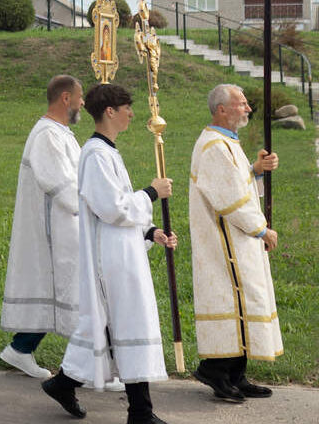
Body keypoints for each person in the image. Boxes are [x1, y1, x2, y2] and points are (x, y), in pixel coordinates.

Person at [41, 83, 176, 424]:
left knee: (110, 325)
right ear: (110, 111)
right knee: (124, 323)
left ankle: (65, 383)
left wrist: (149, 232)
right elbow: (111, 208)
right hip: (110, 258)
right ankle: (140, 412)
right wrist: (151, 192)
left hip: (123, 250)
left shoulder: (108, 152)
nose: (132, 113)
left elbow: (117, 208)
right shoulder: (96, 154)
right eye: (127, 107)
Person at [189, 84, 283, 402]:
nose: (248, 109)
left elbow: (237, 184)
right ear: (221, 109)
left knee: (246, 300)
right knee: (232, 300)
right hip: (224, 241)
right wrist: (262, 229)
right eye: (241, 104)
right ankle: (214, 370)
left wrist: (256, 171)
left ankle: (236, 374)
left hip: (237, 238)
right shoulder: (213, 146)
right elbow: (230, 200)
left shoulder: (226, 142)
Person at [0, 76, 84, 379]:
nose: (82, 103)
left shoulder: (60, 132)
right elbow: (61, 183)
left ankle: (21, 349)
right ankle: (83, 367)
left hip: (63, 224)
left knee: (60, 290)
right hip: (54, 226)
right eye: (79, 97)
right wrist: (90, 205)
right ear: (65, 98)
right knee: (70, 290)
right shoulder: (48, 134)